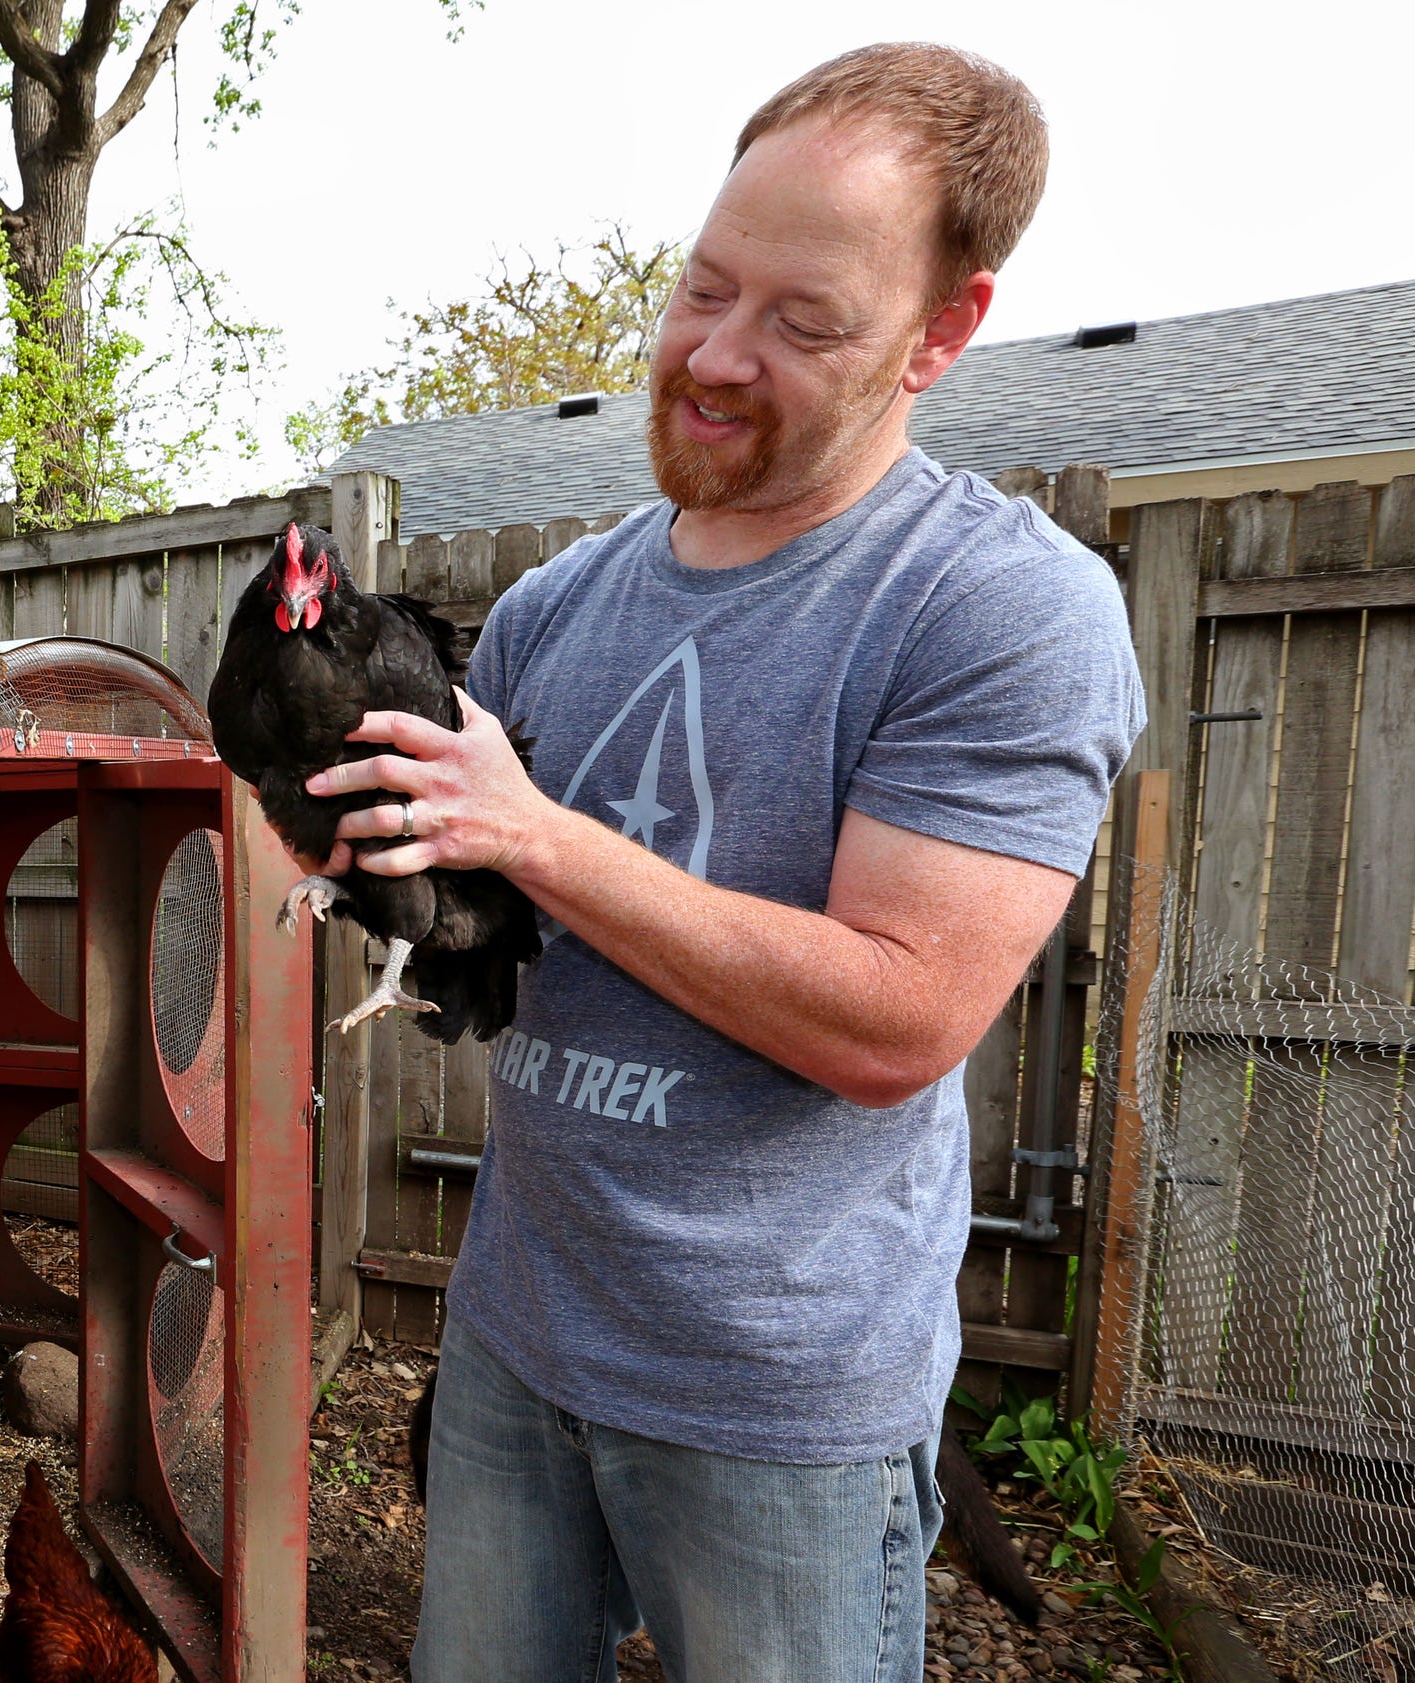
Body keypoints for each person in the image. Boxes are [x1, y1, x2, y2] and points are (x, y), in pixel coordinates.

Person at [305, 43, 1145, 1683]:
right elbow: (482, 909)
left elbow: (894, 1024)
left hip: (777, 1404)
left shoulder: (998, 609)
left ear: (943, 332)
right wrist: (372, 859)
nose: (713, 355)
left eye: (802, 321)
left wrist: (532, 835)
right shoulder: (556, 608)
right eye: (704, 287)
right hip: (518, 1342)